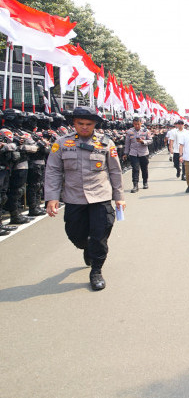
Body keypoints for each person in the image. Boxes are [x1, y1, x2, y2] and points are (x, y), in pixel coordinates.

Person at [44, 106, 125, 291]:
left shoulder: (106, 143)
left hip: (100, 196)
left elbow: (115, 170)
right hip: (74, 197)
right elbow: (53, 170)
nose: (84, 127)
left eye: (89, 124)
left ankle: (96, 270)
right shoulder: (62, 143)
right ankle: (86, 246)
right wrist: (51, 197)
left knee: (100, 236)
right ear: (74, 123)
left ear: (95, 124)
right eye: (80, 123)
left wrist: (119, 197)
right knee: (76, 235)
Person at [123, 116, 153, 193]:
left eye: (138, 124)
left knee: (144, 168)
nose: (137, 126)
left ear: (141, 123)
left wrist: (143, 142)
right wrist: (125, 153)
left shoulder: (146, 131)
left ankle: (145, 182)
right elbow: (127, 144)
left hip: (143, 153)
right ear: (133, 124)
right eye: (135, 124)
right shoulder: (129, 132)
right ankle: (135, 185)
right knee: (135, 169)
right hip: (133, 153)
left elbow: (150, 140)